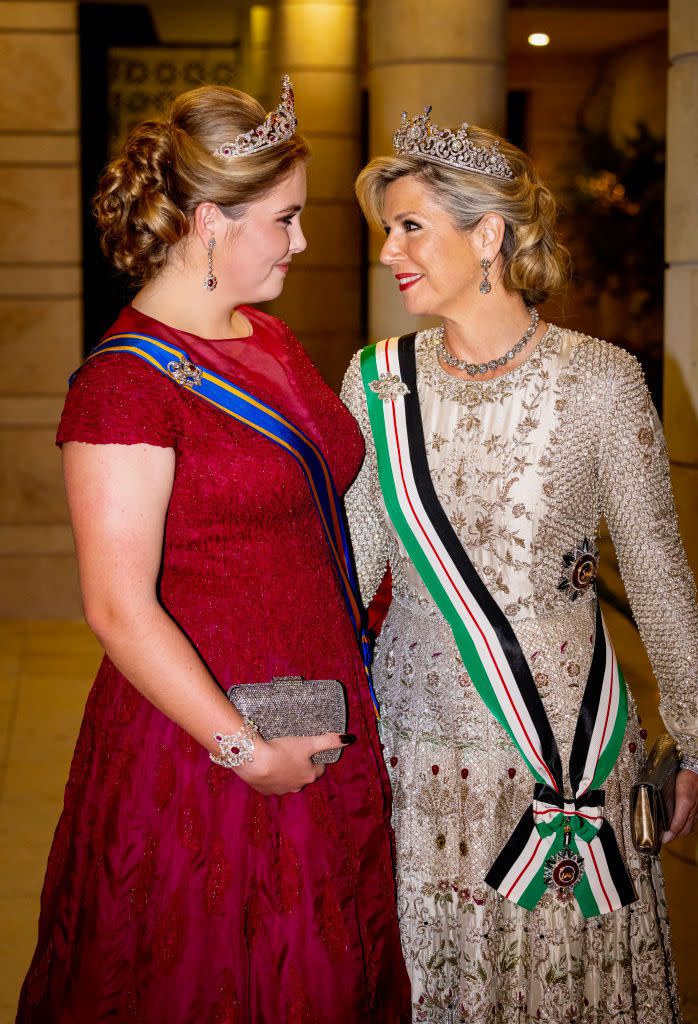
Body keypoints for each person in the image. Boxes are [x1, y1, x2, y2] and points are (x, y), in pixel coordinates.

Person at [17, 78, 410, 1023]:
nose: (302, 241)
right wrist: (246, 753)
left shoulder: (266, 337)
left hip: (324, 707)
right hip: (209, 741)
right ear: (208, 221)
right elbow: (117, 607)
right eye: (285, 219)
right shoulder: (124, 386)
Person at [341, 104, 698, 1023]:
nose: (390, 252)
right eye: (388, 230)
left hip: (563, 751)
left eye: (410, 226)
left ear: (488, 233)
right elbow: (349, 565)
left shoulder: (603, 380)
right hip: (417, 754)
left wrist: (695, 739)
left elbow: (658, 575)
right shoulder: (377, 380)